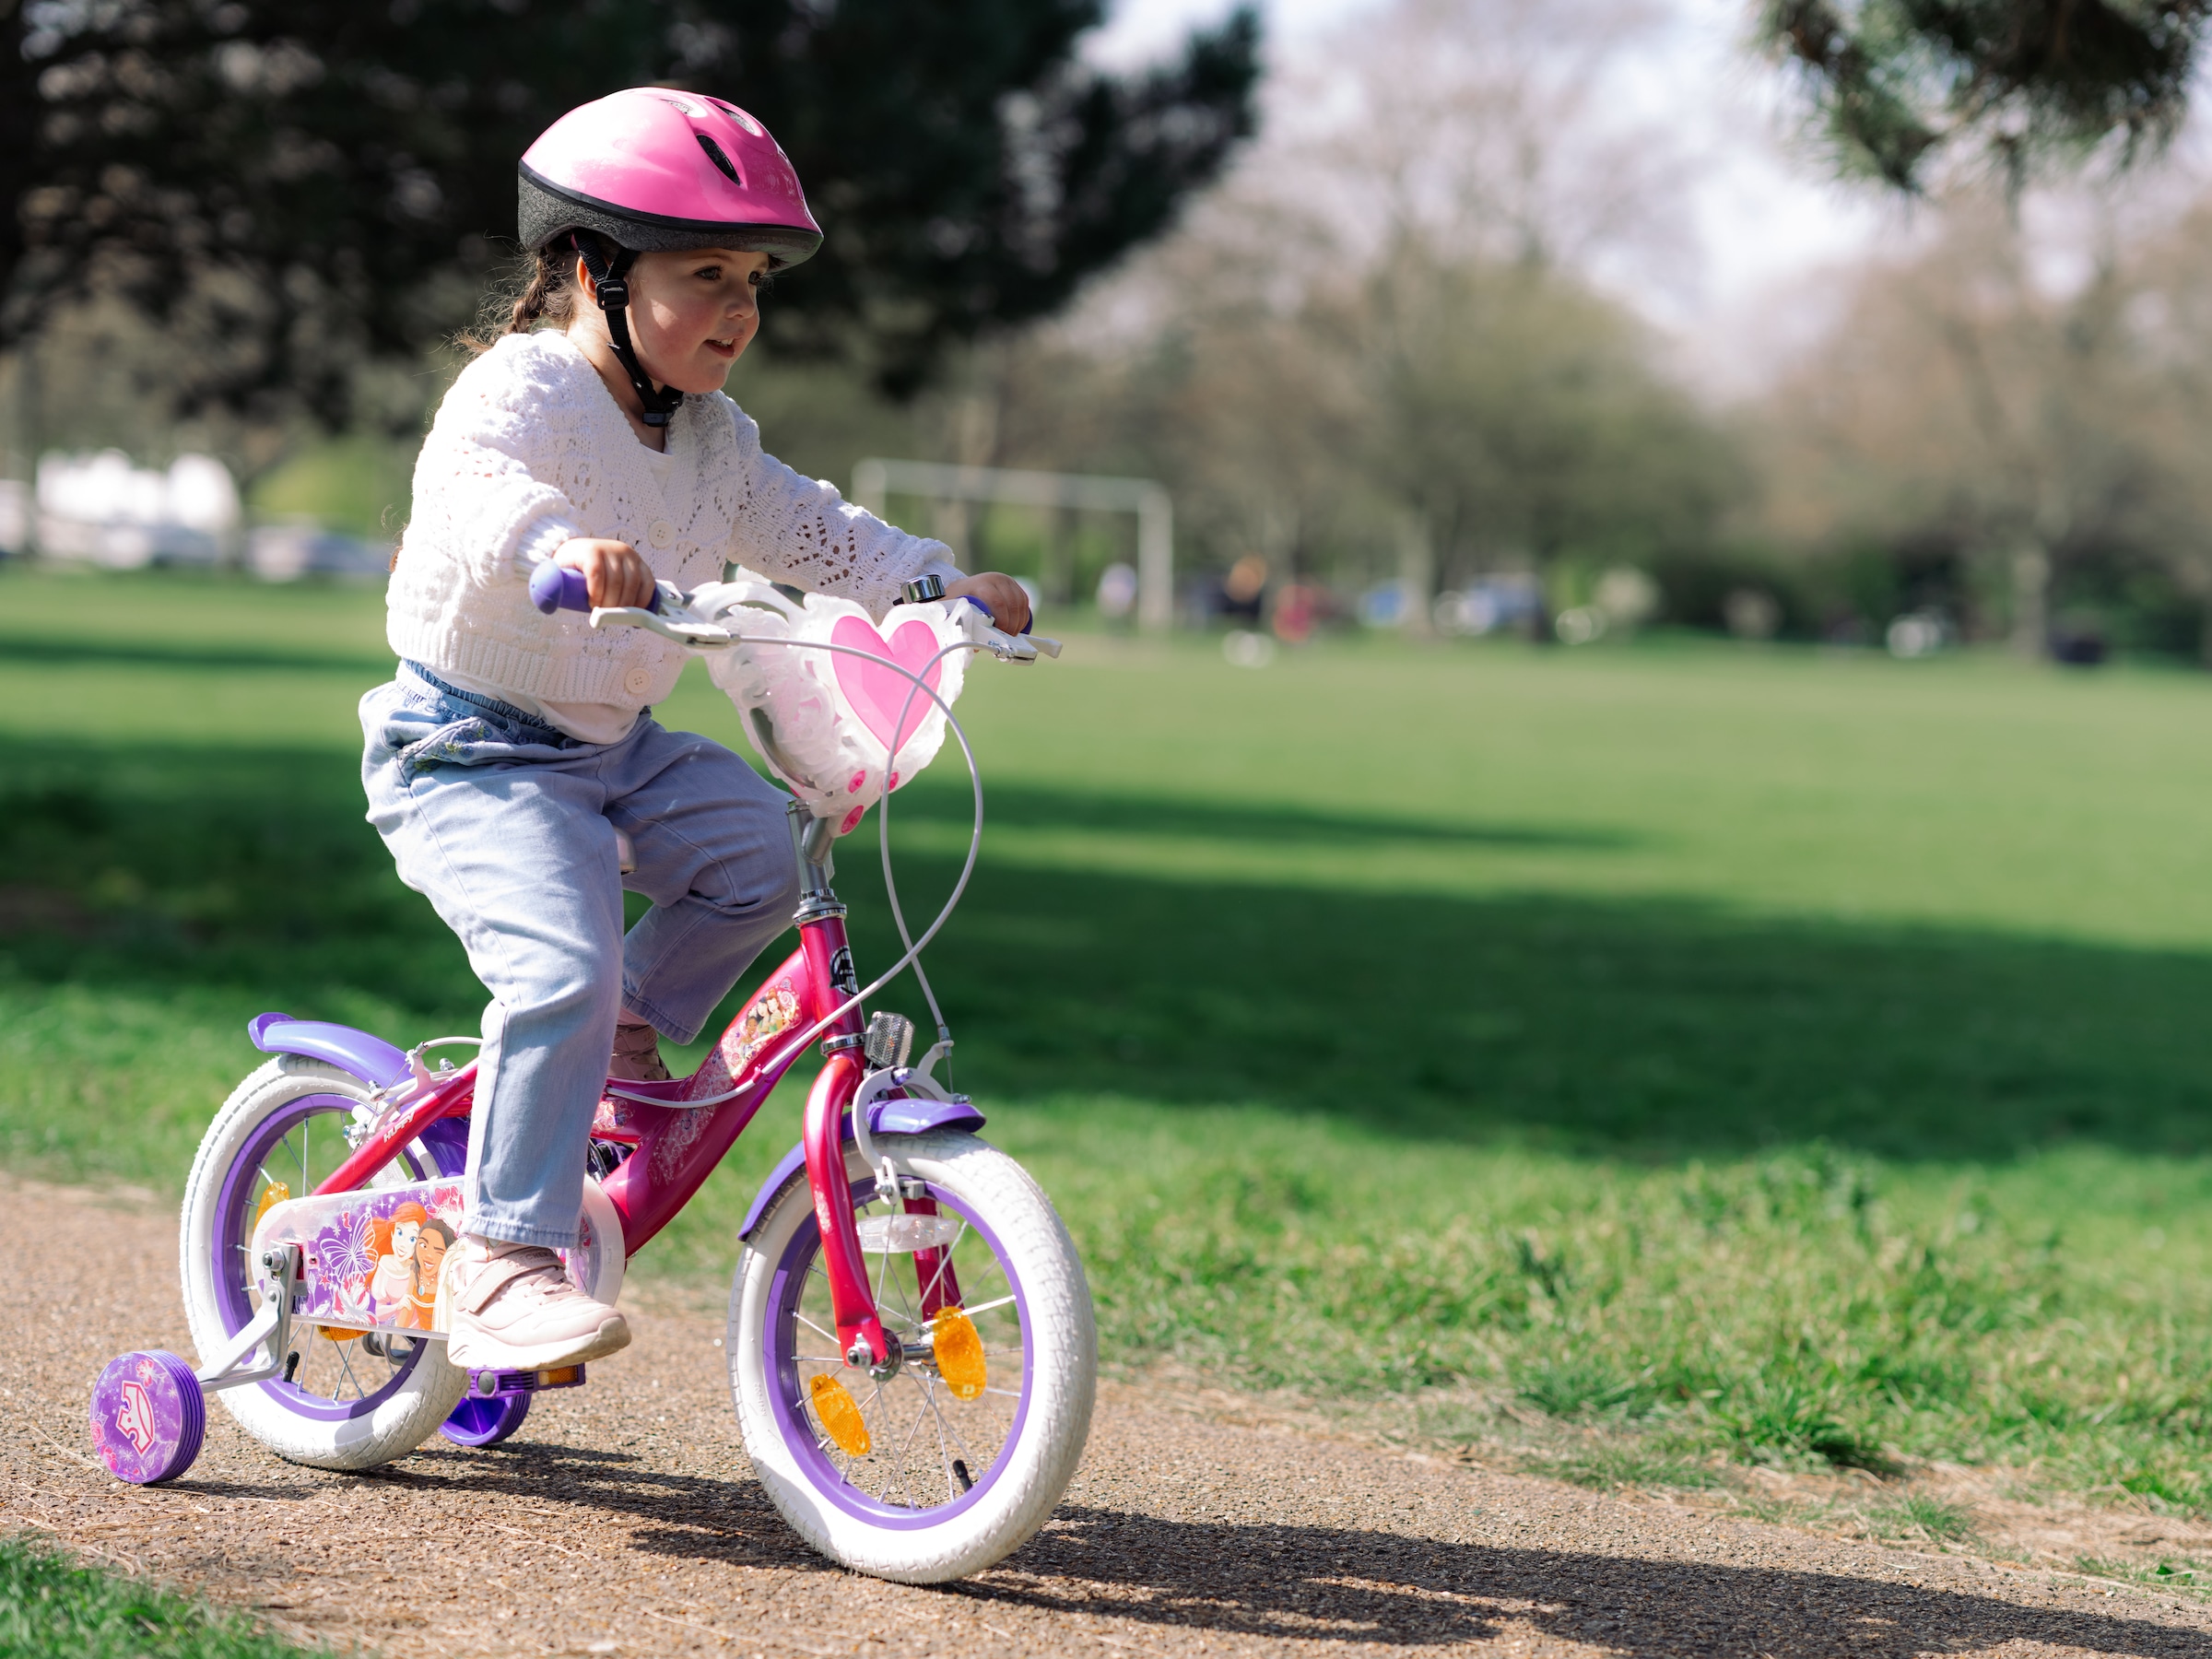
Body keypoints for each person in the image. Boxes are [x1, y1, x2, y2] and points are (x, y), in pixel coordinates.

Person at [359, 88, 1031, 1374]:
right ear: (596, 272)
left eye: (754, 281)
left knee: (765, 858)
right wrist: (563, 548)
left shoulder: (711, 435)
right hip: (470, 748)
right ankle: (498, 1258)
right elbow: (472, 489)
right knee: (557, 970)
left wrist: (935, 584)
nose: (740, 309)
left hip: (614, 745)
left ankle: (624, 1027)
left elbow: (807, 526)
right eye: (705, 274)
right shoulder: (523, 390)